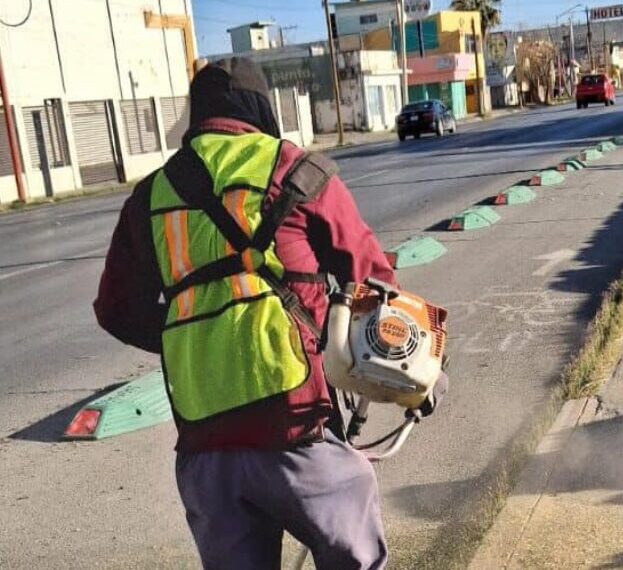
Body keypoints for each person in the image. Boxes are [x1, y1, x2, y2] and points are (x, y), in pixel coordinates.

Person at [94, 57, 397, 569]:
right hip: (296, 429)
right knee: (356, 557)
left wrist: (190, 332)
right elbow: (374, 280)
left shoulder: (150, 196)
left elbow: (116, 309)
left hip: (204, 447)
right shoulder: (295, 169)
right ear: (261, 109)